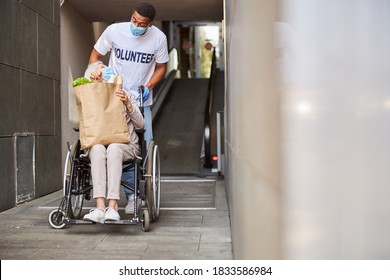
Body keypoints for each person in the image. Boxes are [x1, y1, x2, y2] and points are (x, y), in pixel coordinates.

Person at [87, 2, 169, 214]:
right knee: (111, 143)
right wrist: (98, 71)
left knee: (140, 145)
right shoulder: (114, 30)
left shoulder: (158, 38)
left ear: (149, 24)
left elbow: (162, 68)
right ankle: (106, 200)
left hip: (139, 101)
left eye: (141, 23)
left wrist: (148, 87)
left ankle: (134, 195)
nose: (135, 25)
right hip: (113, 95)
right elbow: (95, 57)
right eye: (134, 19)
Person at [83, 61, 145, 223]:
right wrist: (95, 87)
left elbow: (141, 124)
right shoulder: (90, 96)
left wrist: (128, 104)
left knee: (114, 148)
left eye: (106, 68)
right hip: (98, 143)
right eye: (101, 70)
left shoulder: (124, 93)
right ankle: (100, 208)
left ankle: (113, 206)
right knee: (96, 149)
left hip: (125, 146)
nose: (106, 71)